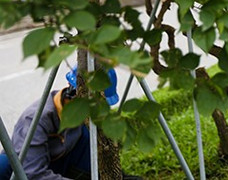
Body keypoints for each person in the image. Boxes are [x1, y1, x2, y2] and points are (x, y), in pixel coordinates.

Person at [0, 68, 139, 180]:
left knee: (89, 134)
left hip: (59, 160)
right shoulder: (35, 120)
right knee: (3, 165)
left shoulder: (80, 117)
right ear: (75, 95)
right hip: (25, 170)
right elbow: (33, 174)